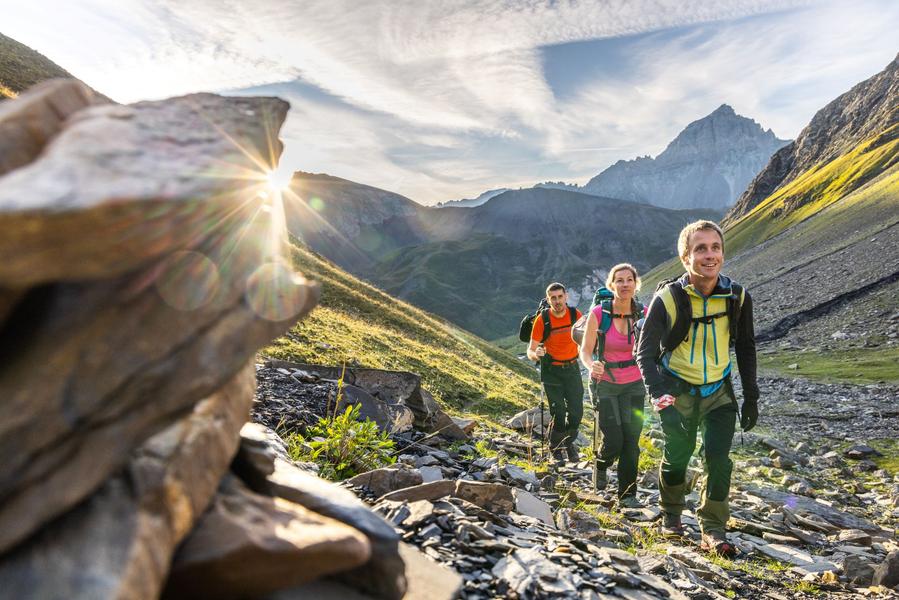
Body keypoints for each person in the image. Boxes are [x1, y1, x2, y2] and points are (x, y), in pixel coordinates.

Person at [635, 220, 759, 557]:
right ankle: (672, 514)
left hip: (718, 392)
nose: (710, 255)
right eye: (700, 248)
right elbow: (644, 354)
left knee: (719, 460)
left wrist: (751, 397)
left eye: (715, 247)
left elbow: (746, 347)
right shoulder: (668, 299)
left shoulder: (738, 296)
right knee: (678, 454)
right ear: (685, 257)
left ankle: (713, 529)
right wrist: (661, 399)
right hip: (677, 391)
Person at [578, 264, 647, 508]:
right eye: (619, 280)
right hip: (604, 383)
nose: (625, 284)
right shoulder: (599, 313)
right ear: (611, 285)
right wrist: (591, 365)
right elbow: (585, 351)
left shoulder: (643, 313)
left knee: (631, 441)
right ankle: (602, 463)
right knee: (615, 439)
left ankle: (627, 495)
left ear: (636, 284)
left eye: (629, 279)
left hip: (635, 384)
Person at [527, 282, 584, 463]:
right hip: (552, 370)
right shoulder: (542, 320)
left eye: (560, 297)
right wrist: (536, 354)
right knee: (558, 412)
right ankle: (555, 447)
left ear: (566, 296)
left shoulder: (576, 315)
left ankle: (568, 443)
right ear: (548, 299)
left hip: (573, 368)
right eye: (553, 298)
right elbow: (530, 350)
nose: (557, 301)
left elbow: (587, 341)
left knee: (576, 412)